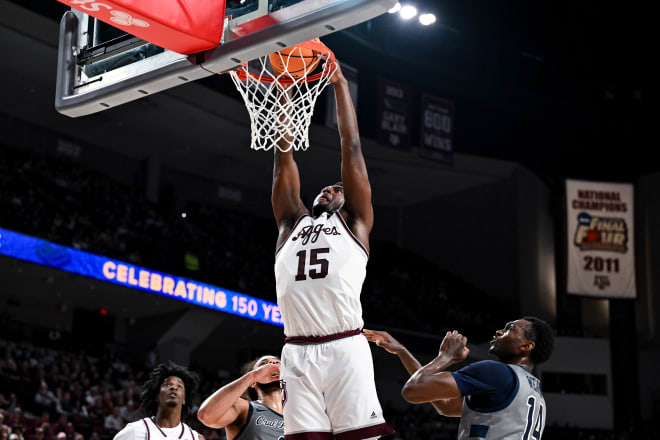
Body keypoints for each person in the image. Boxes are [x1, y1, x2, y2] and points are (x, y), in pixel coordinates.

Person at [272, 60, 392, 439]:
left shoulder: (354, 222)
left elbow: (351, 146)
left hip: (344, 347)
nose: (330, 189)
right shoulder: (291, 224)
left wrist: (339, 82)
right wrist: (285, 92)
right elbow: (283, 158)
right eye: (326, 188)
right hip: (296, 351)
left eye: (337, 189)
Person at [365, 316, 554, 440]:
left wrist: (446, 357)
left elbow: (412, 391)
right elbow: (445, 405)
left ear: (526, 346)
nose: (498, 332)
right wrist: (402, 352)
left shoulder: (496, 373)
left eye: (509, 329)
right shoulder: (533, 393)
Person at [197, 355, 283, 440]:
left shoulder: (294, 417)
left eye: (277, 363)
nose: (272, 364)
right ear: (253, 382)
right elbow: (206, 415)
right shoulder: (244, 407)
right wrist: (253, 376)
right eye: (264, 364)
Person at [113, 362, 204, 440]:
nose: (174, 387)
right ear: (157, 396)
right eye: (167, 385)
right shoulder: (135, 431)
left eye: (179, 386)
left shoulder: (195, 438)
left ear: (184, 399)